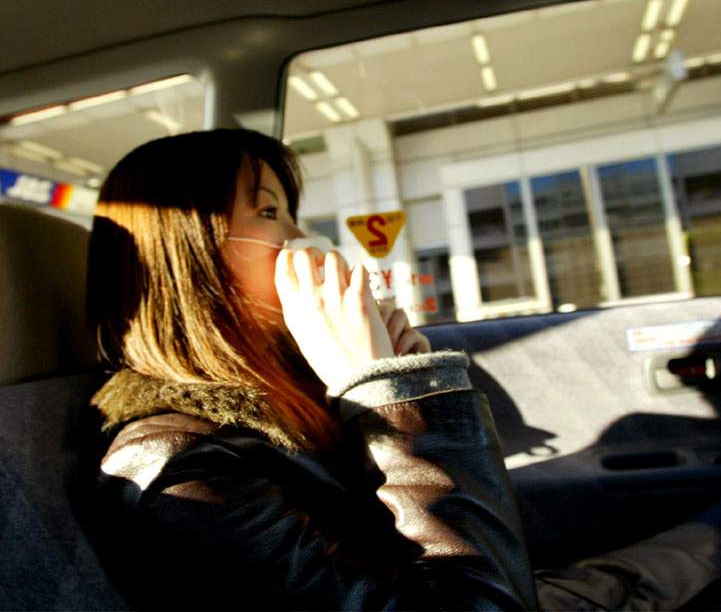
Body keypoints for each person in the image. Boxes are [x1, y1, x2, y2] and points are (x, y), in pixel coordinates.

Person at [86, 128, 537, 611]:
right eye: (268, 212)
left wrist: (392, 396)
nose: (302, 240)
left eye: (290, 215)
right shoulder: (176, 467)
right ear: (187, 255)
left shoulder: (294, 396)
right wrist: (391, 392)